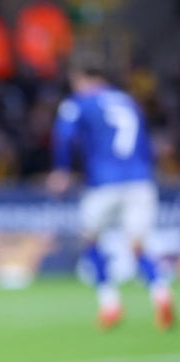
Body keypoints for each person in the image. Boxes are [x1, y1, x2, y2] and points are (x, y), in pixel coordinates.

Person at [47, 53, 174, 331]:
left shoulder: (78, 102)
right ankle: (161, 295)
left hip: (104, 183)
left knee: (89, 242)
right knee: (139, 245)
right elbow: (147, 140)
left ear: (80, 78)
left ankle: (110, 305)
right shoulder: (128, 101)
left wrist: (62, 170)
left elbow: (64, 136)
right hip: (141, 180)